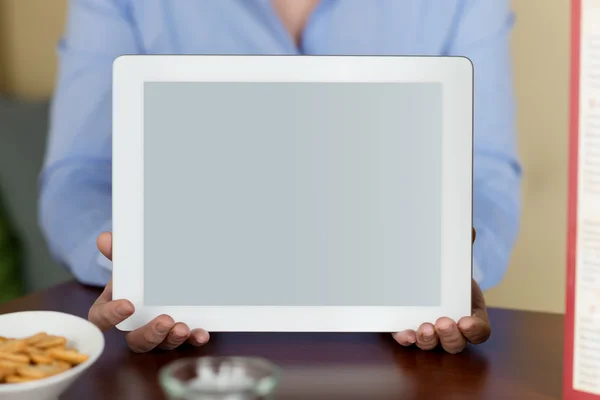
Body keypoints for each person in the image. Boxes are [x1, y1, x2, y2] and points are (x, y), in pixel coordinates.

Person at [40, 0, 522, 354]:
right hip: (196, 346)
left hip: (395, 349)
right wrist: (142, 271)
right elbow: (78, 173)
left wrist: (444, 276)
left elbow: (487, 170)